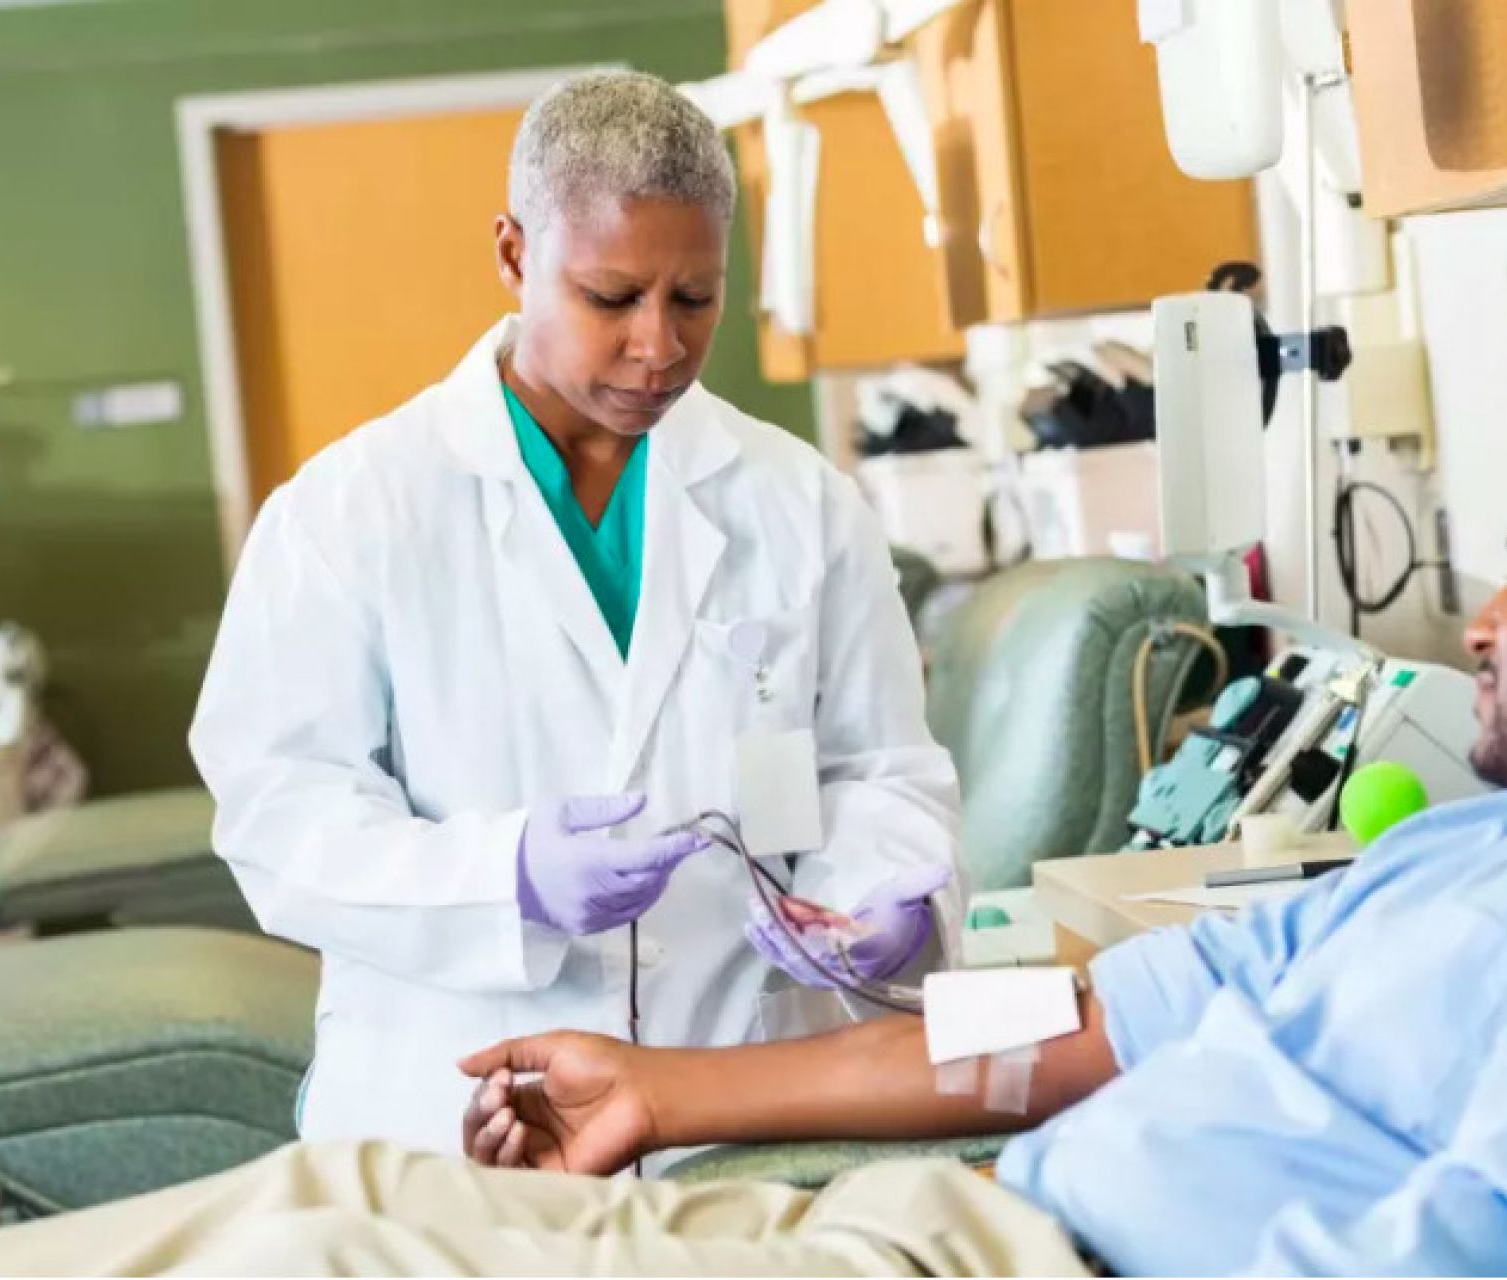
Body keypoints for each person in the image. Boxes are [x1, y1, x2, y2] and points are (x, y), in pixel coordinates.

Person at [0, 411, 1507, 1276]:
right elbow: (1082, 1022)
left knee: (322, 1259)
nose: (1475, 619)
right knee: (333, 1207)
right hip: (938, 1223)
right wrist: (668, 1084)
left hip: (1024, 1265)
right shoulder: (1488, 856)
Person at [185, 70, 964, 1155]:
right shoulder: (349, 511)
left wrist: (886, 901)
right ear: (513, 254)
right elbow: (278, 812)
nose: (660, 346)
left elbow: (877, 766)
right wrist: (504, 875)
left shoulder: (802, 503)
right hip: (450, 1115)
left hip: (740, 1098)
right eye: (611, 297)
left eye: (695, 299)